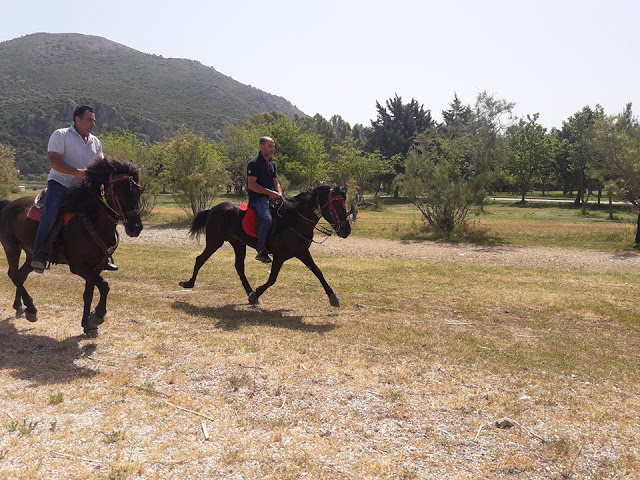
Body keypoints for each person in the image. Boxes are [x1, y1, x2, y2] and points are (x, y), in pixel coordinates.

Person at [31, 105, 118, 273]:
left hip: (84, 188)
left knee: (105, 214)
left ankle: (103, 256)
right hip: (60, 183)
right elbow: (54, 161)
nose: (93, 123)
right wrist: (77, 173)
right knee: (50, 214)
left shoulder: (95, 142)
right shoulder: (61, 135)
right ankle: (39, 255)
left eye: (94, 120)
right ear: (77, 120)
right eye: (89, 120)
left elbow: (99, 166)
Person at [246, 136, 282, 264]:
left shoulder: (271, 164)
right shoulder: (254, 163)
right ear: (261, 147)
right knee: (267, 219)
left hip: (271, 196)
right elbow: (251, 185)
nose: (272, 149)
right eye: (269, 146)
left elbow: (276, 182)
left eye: (273, 146)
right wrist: (269, 193)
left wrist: (279, 193)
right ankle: (261, 250)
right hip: (258, 199)